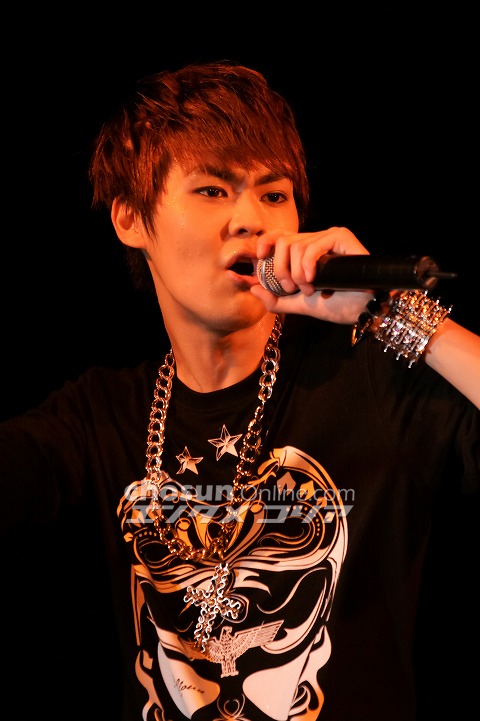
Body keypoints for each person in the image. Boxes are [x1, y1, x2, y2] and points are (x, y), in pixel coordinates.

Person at [1, 60, 479, 721]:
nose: (251, 219)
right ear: (131, 218)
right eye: (213, 190)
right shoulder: (99, 416)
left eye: (274, 194)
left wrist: (389, 312)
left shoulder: (372, 380)